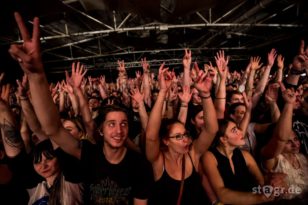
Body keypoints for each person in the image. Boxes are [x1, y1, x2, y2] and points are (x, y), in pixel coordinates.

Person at [8, 12, 154, 205]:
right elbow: (52, 129)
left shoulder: (139, 165)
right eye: (111, 124)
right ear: (100, 129)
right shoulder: (89, 154)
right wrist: (37, 76)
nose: (118, 130)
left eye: (124, 124)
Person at [145, 63, 218, 205]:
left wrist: (205, 94)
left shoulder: (192, 154)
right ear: (166, 141)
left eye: (185, 134)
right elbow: (151, 136)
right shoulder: (158, 161)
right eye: (178, 137)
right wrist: (162, 92)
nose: (185, 140)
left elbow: (211, 130)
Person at [201, 119, 275, 204]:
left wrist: (270, 190)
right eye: (234, 130)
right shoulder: (209, 156)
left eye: (238, 128)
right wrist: (259, 198)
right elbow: (222, 194)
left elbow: (261, 182)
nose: (240, 132)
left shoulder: (245, 155)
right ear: (223, 139)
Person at [261, 83, 308, 202]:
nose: (295, 144)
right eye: (288, 142)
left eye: (296, 139)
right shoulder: (272, 160)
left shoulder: (302, 157)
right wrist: (288, 104)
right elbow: (280, 137)